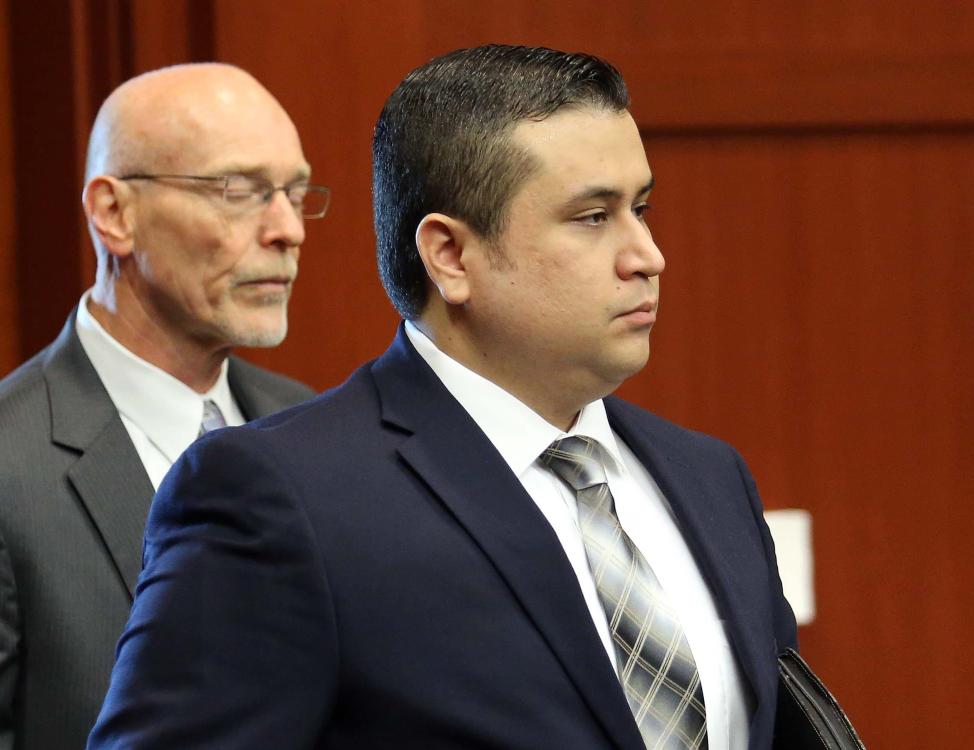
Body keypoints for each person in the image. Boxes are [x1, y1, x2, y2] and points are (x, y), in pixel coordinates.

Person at [89, 46, 797, 750]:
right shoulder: (280, 497)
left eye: (639, 208)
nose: (647, 255)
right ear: (451, 257)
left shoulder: (710, 478)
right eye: (592, 217)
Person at [0, 63, 324, 749]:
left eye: (295, 192)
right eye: (240, 191)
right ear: (115, 214)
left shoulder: (317, 431)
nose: (288, 229)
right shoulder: (9, 463)